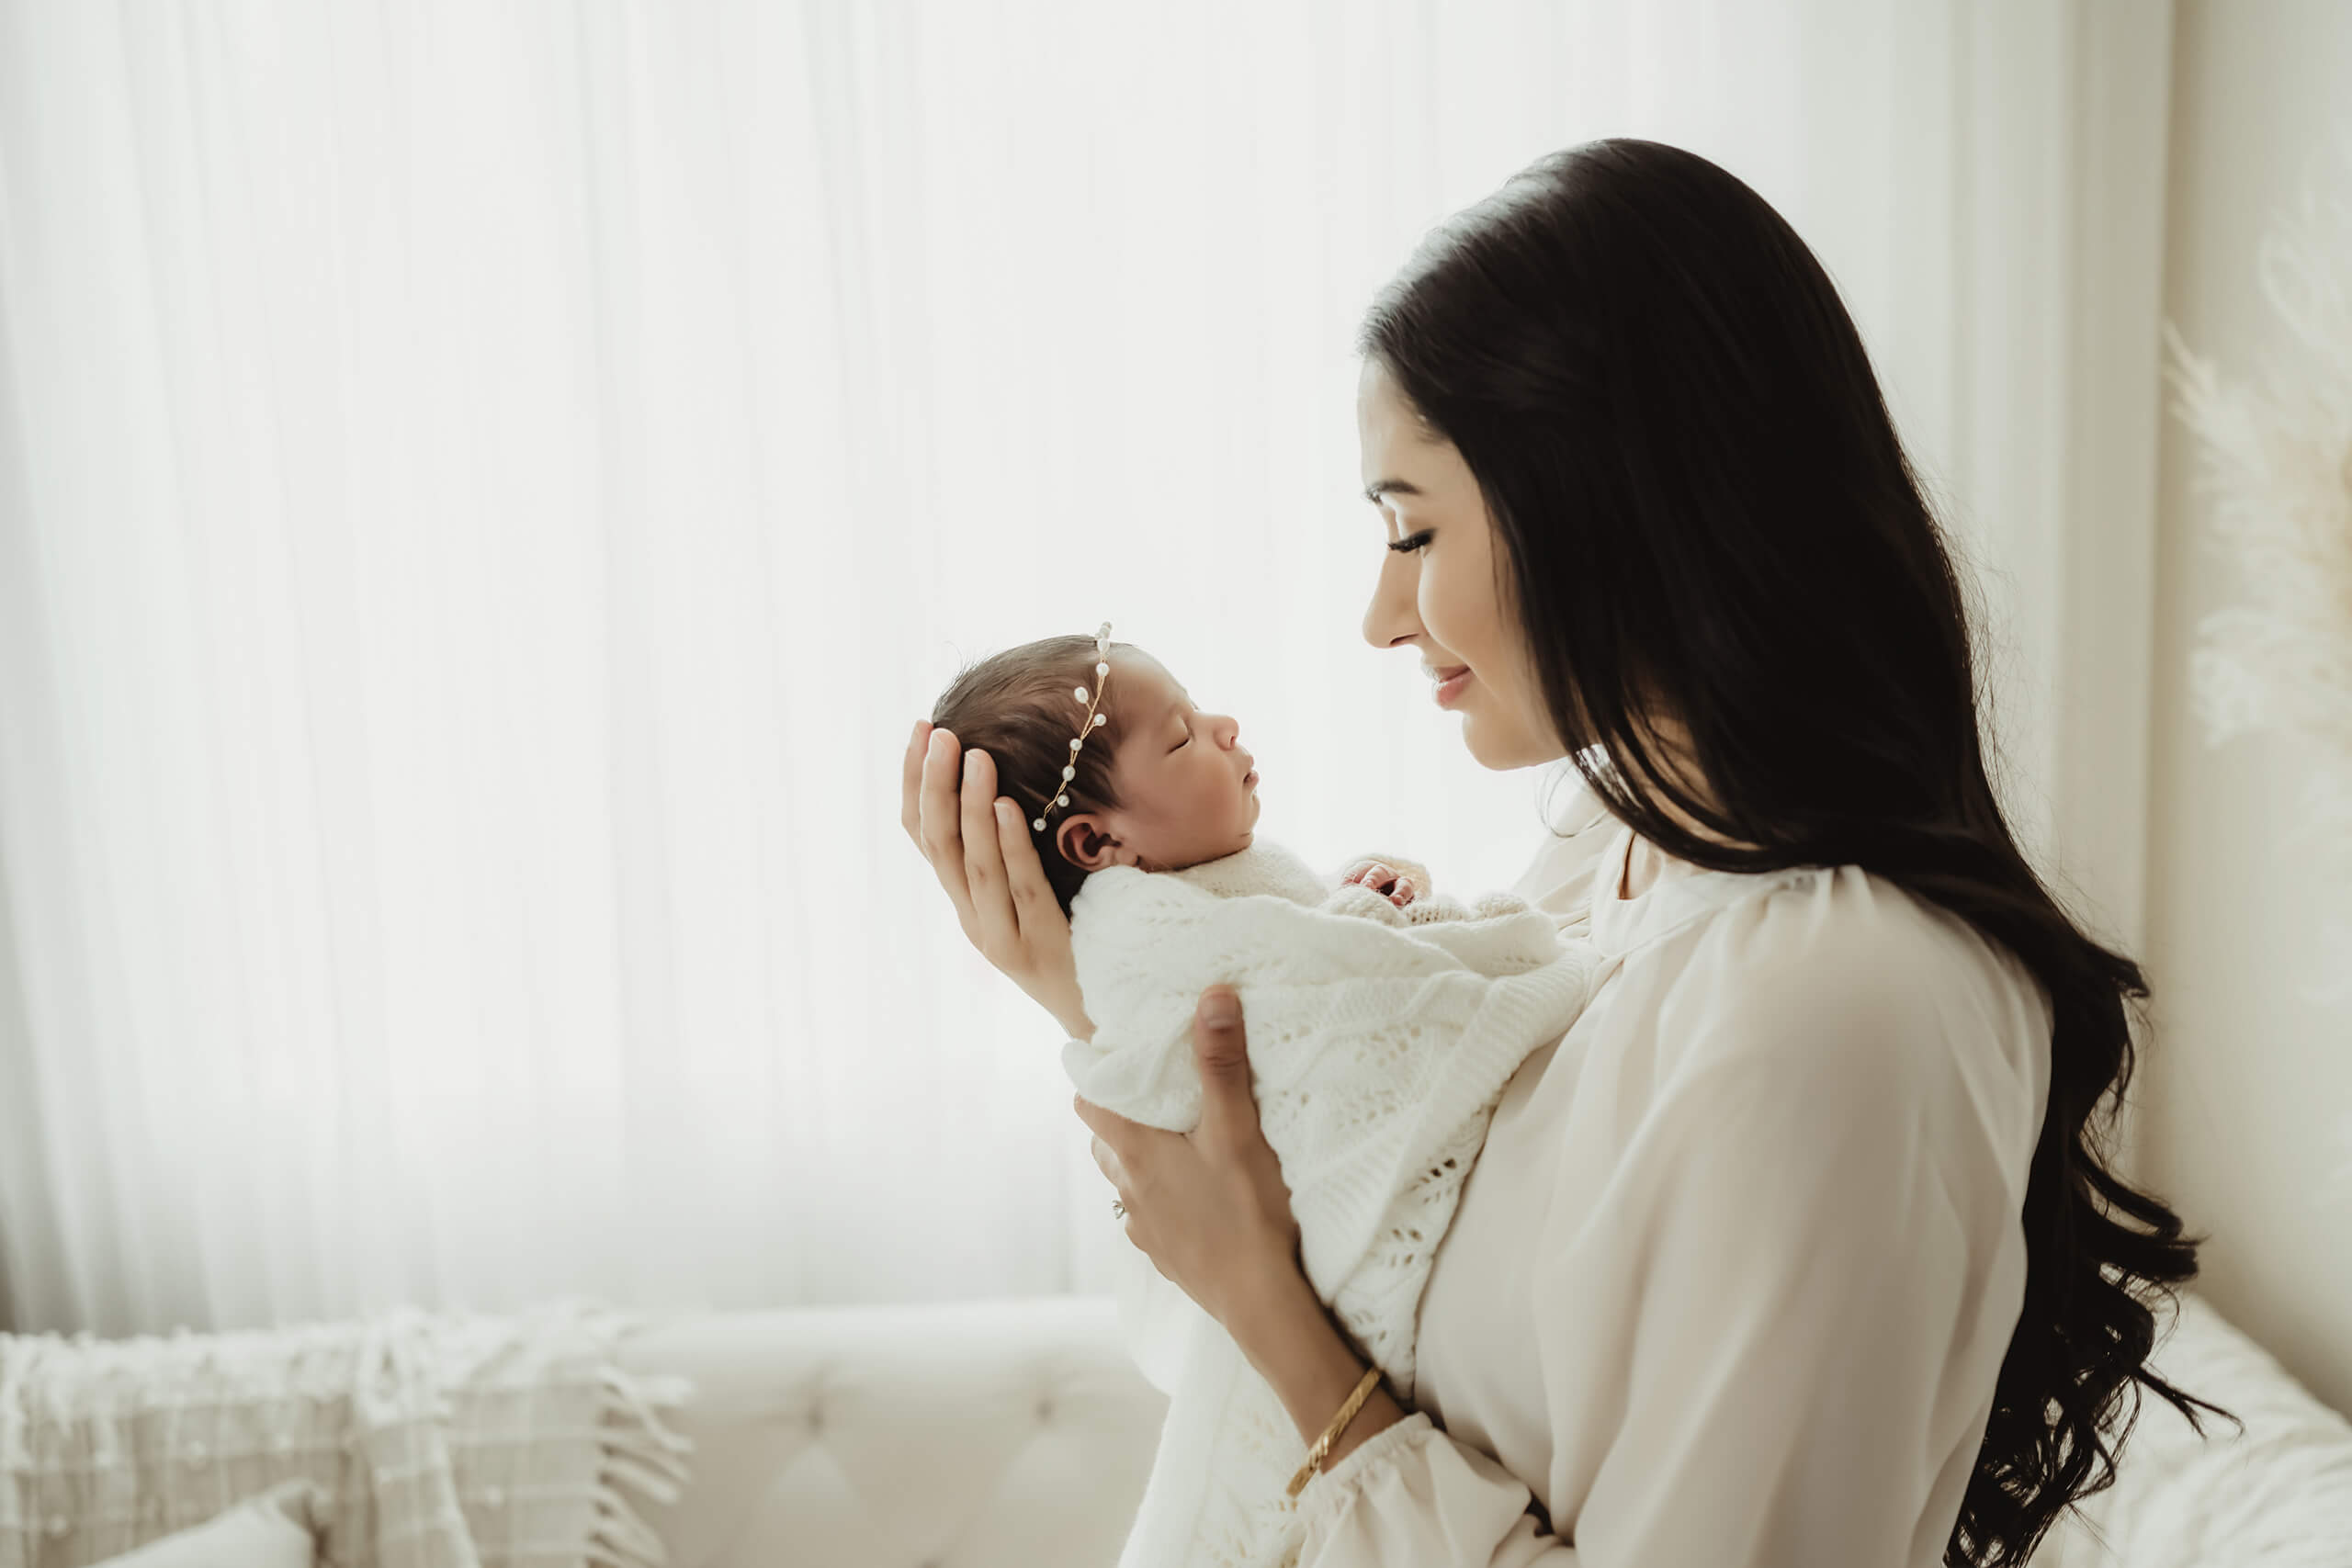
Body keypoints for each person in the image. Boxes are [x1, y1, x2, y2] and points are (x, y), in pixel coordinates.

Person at [899, 138, 2228, 1567]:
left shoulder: (1837, 1007)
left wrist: (1268, 1310)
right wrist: (1119, 988)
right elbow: (1371, 1265)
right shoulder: (1615, 856)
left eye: (1412, 532)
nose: (1381, 617)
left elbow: (1298, 1329)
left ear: (1609, 500)